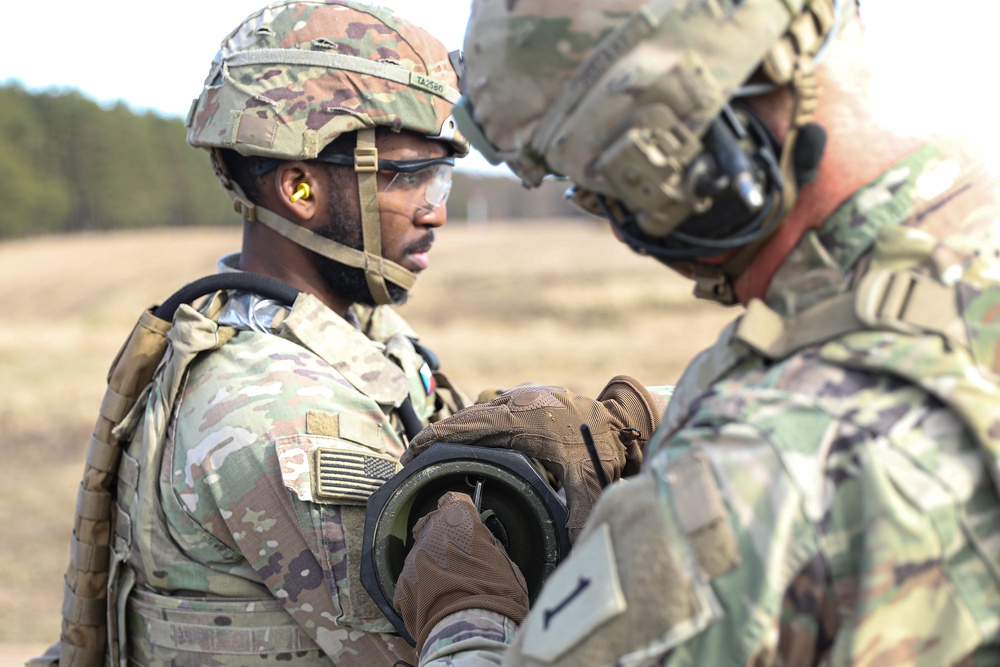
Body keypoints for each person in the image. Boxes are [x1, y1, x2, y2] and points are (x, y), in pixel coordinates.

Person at [390, 0, 1000, 664]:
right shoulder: (960, 250)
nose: (622, 231)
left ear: (690, 159)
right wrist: (642, 420)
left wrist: (466, 614)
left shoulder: (749, 483)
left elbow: (806, 432)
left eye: (611, 185)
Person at [50, 1, 471, 665]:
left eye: (440, 177)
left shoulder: (352, 332)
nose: (434, 211)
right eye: (408, 176)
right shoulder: (279, 406)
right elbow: (444, 648)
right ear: (299, 189)